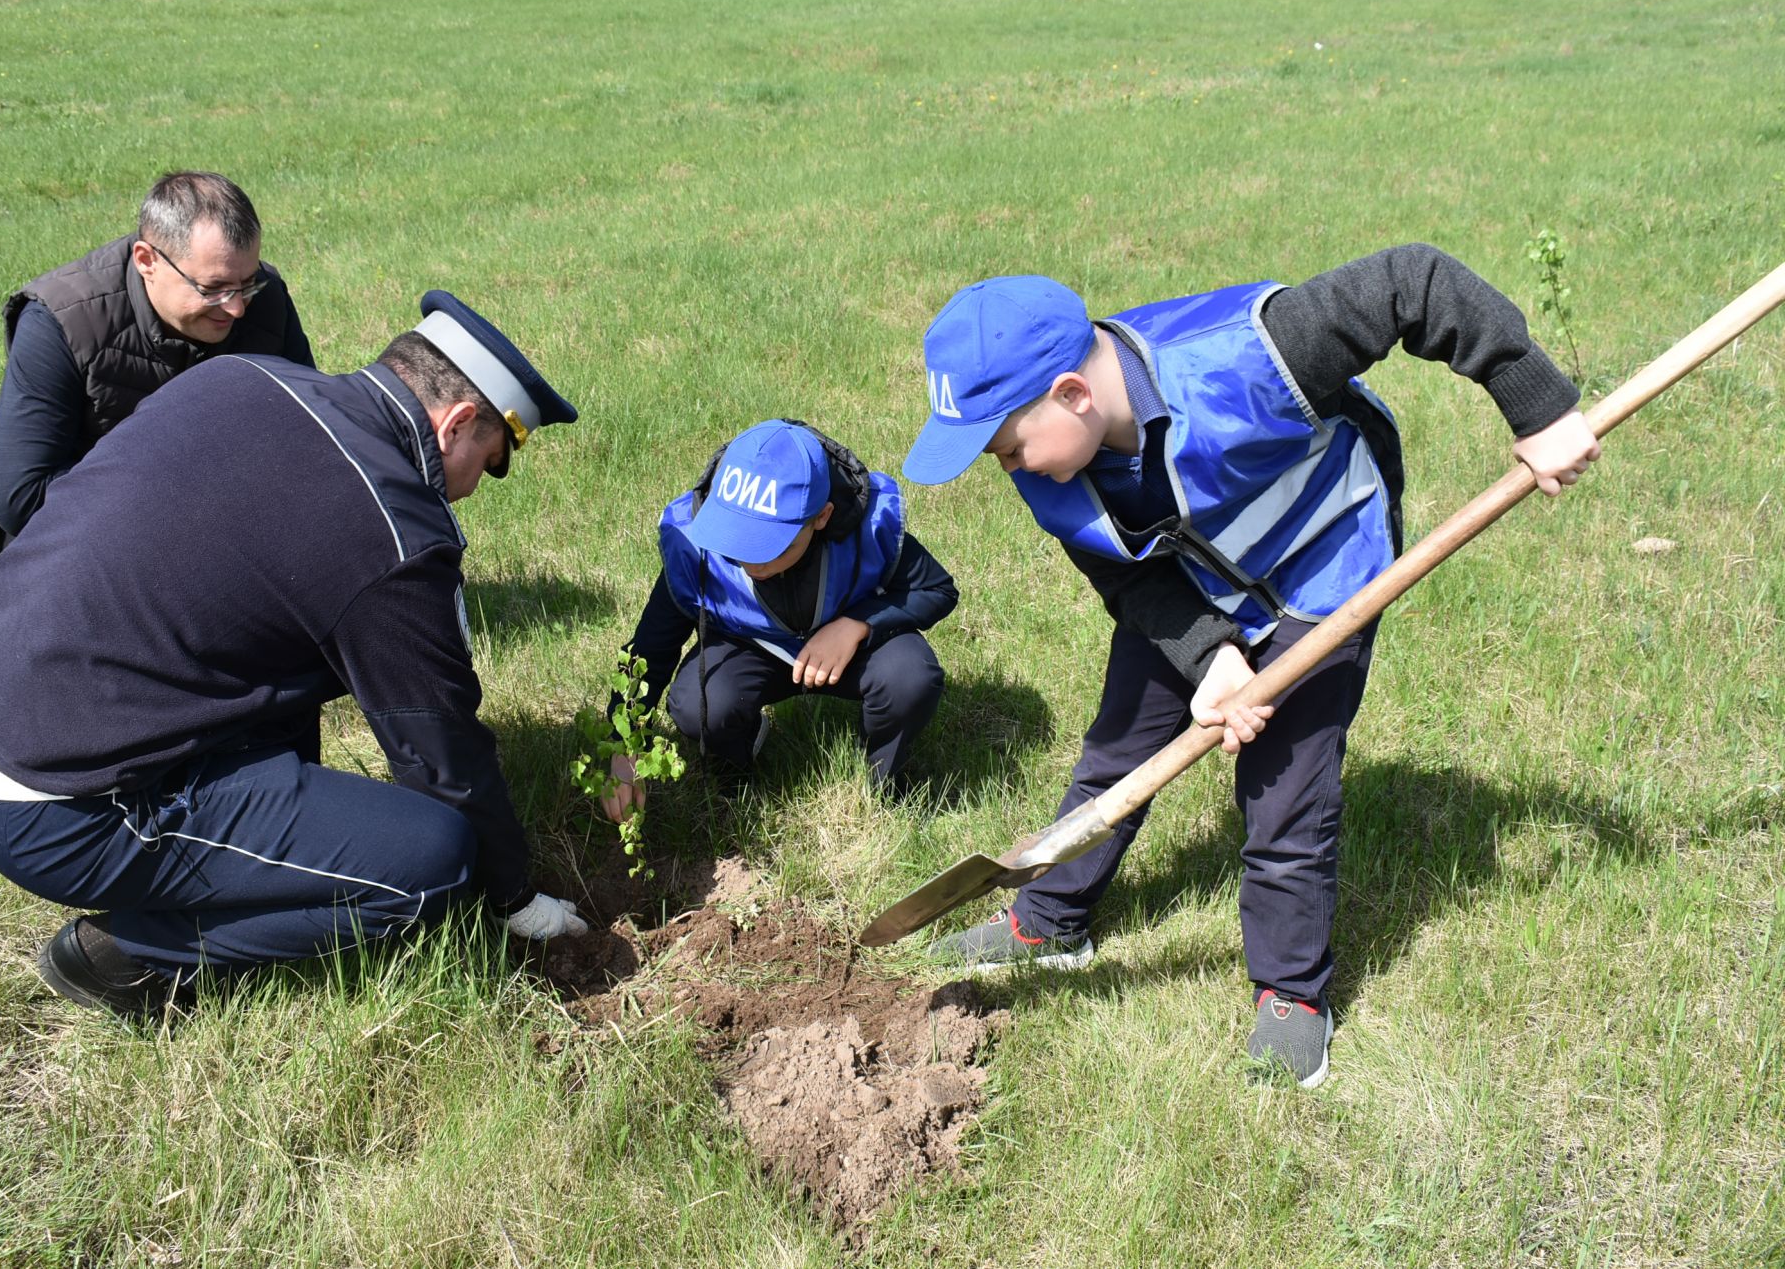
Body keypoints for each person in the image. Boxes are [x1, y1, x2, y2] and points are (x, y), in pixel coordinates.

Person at [901, 244, 1600, 1086]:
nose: (1006, 468)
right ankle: (1049, 920)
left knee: (1285, 791)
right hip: (1193, 582)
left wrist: (1536, 404)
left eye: (1006, 448)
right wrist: (1208, 655)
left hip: (1323, 566)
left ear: (1073, 395)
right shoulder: (1057, 470)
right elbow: (1126, 574)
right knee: (1118, 750)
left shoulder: (1254, 355)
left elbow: (1414, 281)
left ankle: (1293, 992)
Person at [0, 290, 587, 1018]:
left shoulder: (244, 376)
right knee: (432, 861)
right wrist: (513, 895)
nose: (474, 487)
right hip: (56, 806)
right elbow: (443, 757)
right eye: (490, 461)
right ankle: (135, 954)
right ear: (456, 422)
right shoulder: (392, 526)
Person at [602, 419, 957, 820]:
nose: (751, 560)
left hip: (846, 648)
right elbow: (652, 646)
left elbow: (937, 590)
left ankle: (883, 783)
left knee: (910, 675)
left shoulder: (865, 527)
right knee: (696, 702)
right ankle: (738, 761)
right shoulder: (697, 545)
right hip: (751, 647)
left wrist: (857, 624)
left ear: (821, 517)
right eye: (737, 538)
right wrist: (623, 743)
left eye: (768, 544)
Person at [0, 171, 314, 558]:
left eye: (246, 284)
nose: (236, 307)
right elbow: (23, 498)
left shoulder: (265, 295)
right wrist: (189, 499)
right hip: (81, 519)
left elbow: (308, 430)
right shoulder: (61, 319)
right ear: (147, 261)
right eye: (212, 290)